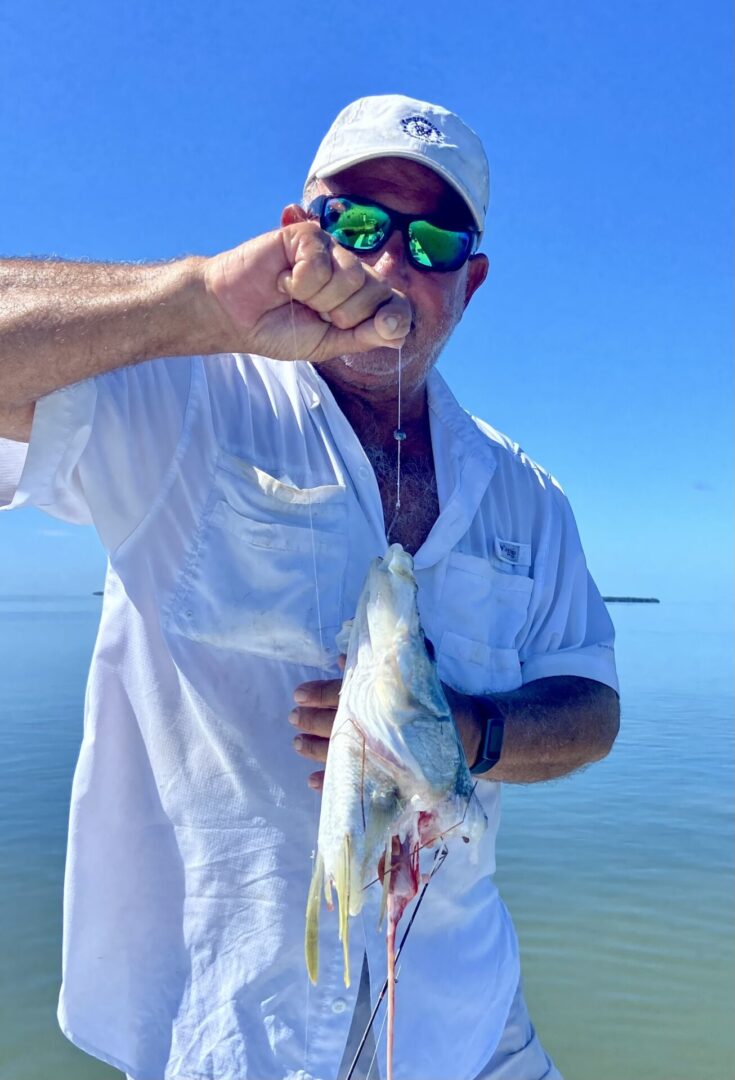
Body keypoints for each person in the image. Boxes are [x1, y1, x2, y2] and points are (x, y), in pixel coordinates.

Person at [0, 94, 619, 1080]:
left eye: (433, 241)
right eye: (357, 225)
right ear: (300, 233)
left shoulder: (527, 499)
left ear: (474, 280)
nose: (389, 265)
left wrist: (468, 734)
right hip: (224, 1039)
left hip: (469, 1031)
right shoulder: (181, 397)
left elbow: (591, 707)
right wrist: (194, 303)